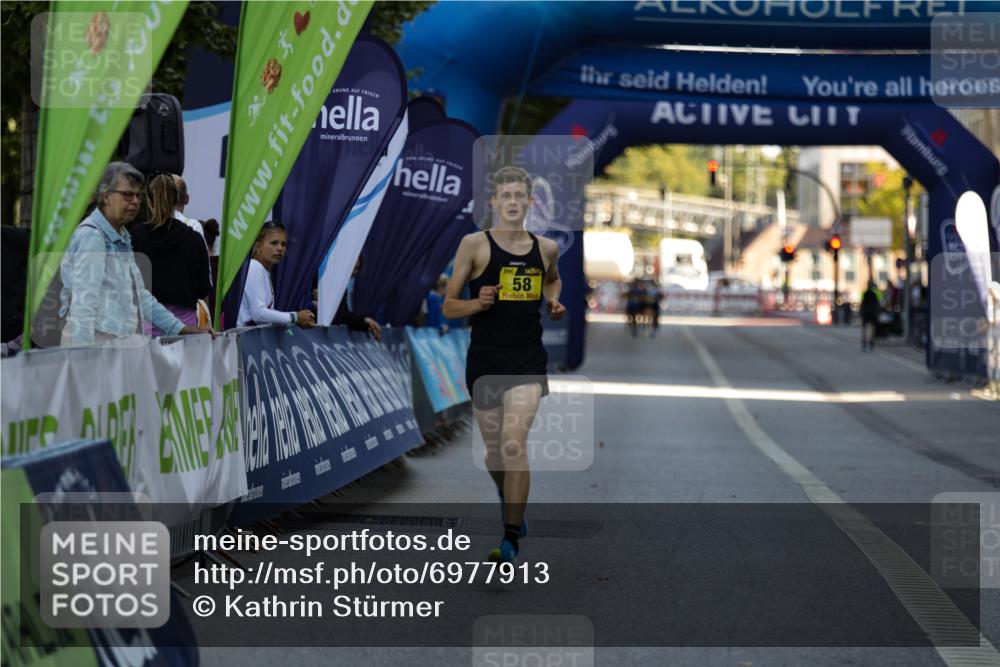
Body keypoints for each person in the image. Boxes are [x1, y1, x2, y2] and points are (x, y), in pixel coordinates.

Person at [442, 166, 566, 564]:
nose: (513, 202)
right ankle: (506, 495)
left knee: (514, 443)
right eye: (505, 196)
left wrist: (552, 299)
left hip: (527, 358)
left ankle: (511, 536)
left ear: (530, 202)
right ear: (494, 202)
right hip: (486, 358)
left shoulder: (545, 248)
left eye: (519, 196)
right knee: (495, 453)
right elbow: (449, 307)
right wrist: (478, 303)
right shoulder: (474, 246)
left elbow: (552, 279)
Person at [59, 162, 214, 346]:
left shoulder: (121, 237)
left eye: (137, 195)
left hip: (112, 347)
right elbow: (83, 308)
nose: (134, 201)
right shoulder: (93, 237)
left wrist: (180, 328)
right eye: (127, 194)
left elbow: (140, 295)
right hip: (93, 349)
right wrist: (82, 360)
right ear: (105, 196)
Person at [130, 173, 211, 334]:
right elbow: (203, 290)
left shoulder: (135, 237)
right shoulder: (193, 239)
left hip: (145, 327)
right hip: (185, 328)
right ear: (177, 201)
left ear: (150, 202)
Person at [237, 222, 316, 329]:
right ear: (258, 246)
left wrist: (296, 319)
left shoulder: (263, 270)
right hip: (241, 341)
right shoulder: (254, 267)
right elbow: (259, 314)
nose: (280, 248)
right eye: (274, 243)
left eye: (283, 244)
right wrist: (295, 317)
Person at [333, 257, 382, 341]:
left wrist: (364, 320)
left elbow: (345, 315)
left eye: (357, 268)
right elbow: (343, 316)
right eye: (353, 267)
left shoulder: (343, 286)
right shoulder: (335, 284)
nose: (354, 272)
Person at [860, 280, 882, 351]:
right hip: (872, 312)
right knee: (872, 328)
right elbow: (878, 303)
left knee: (865, 328)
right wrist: (877, 313)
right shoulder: (876, 293)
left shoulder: (864, 292)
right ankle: (870, 342)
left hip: (866, 312)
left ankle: (864, 341)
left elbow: (862, 303)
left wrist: (861, 312)